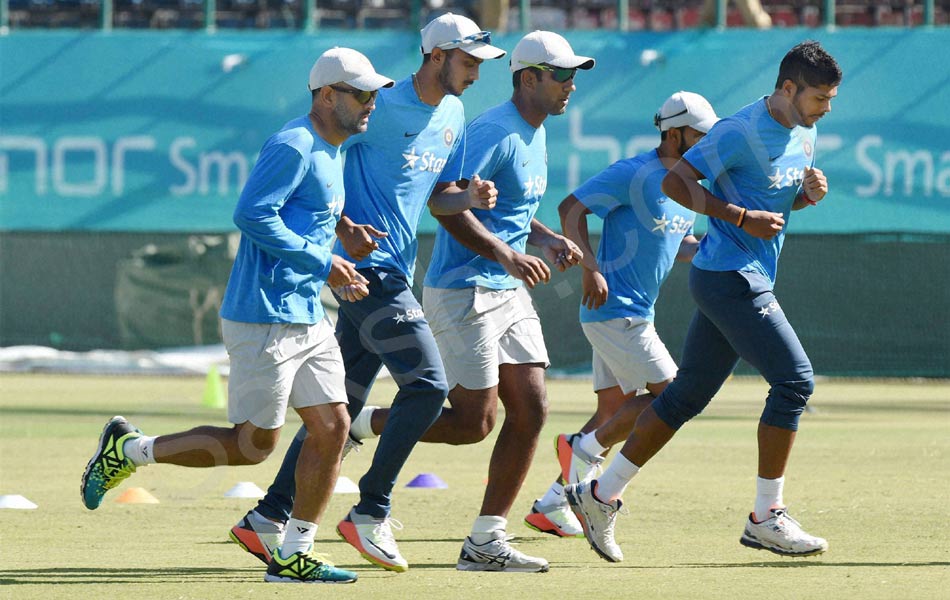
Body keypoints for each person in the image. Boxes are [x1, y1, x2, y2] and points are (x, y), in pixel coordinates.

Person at [79, 48, 395, 584]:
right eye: (361, 94)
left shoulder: (333, 147)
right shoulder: (293, 143)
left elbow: (309, 204)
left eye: (373, 94)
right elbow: (252, 214)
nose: (371, 104)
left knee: (334, 427)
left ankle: (295, 550)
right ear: (326, 96)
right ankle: (130, 450)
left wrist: (342, 229)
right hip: (264, 315)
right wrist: (326, 263)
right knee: (253, 446)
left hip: (306, 316)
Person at [228, 13, 507, 574]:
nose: (477, 73)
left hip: (388, 272)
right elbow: (320, 171)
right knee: (428, 387)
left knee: (342, 407)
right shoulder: (376, 109)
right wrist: (337, 236)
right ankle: (370, 510)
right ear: (437, 56)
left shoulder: (453, 114)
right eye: (470, 61)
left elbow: (438, 200)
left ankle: (267, 517)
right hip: (366, 272)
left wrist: (469, 197)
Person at [566, 40, 840, 563]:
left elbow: (773, 205)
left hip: (743, 273)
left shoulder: (804, 133)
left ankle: (600, 494)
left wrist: (805, 196)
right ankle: (766, 516)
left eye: (830, 99)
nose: (826, 108)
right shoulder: (738, 130)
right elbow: (675, 181)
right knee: (795, 381)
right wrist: (737, 218)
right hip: (728, 276)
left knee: (684, 396)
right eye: (819, 98)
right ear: (788, 89)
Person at [347, 30, 592, 572]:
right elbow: (450, 206)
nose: (571, 86)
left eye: (575, 76)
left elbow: (507, 209)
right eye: (562, 76)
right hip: (464, 290)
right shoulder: (491, 130)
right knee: (472, 423)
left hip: (507, 289)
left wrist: (544, 236)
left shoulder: (535, 132)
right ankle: (361, 426)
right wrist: (507, 254)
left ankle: (486, 541)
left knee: (532, 409)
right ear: (529, 79)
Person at [528, 92, 717, 542]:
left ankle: (554, 504)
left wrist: (720, 246)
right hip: (615, 313)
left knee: (614, 410)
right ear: (674, 133)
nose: (706, 145)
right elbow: (570, 209)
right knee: (673, 396)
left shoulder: (684, 188)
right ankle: (582, 450)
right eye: (699, 136)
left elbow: (682, 247)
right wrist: (590, 269)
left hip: (631, 315)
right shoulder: (635, 172)